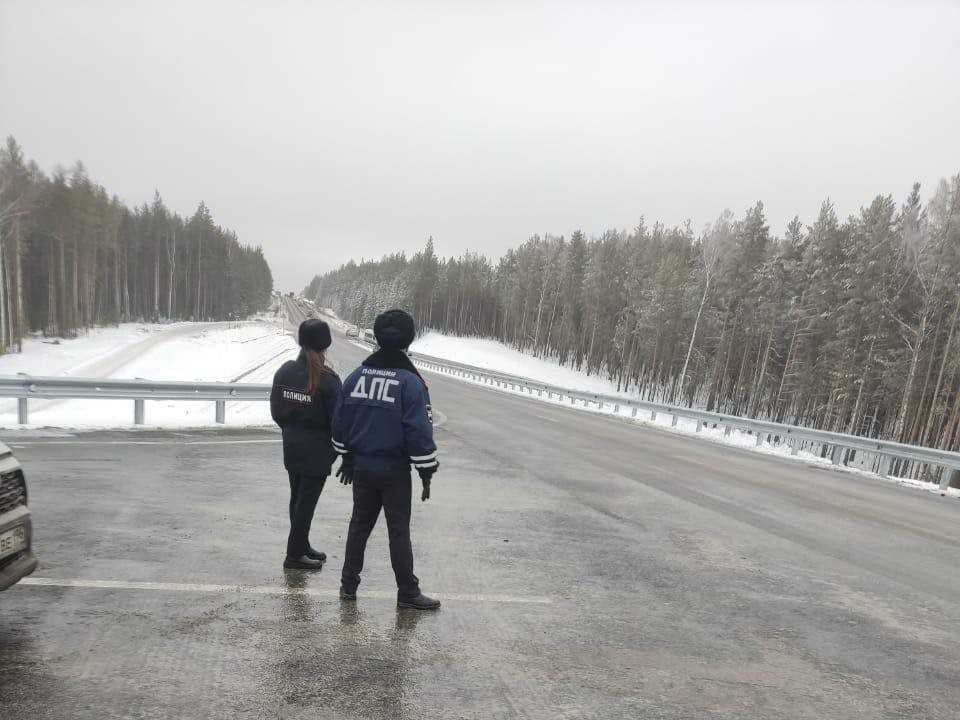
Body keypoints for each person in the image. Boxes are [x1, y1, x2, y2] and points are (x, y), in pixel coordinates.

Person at [332, 309, 441, 610]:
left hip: (363, 468)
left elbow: (341, 422)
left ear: (377, 337)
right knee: (398, 531)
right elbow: (418, 430)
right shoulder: (410, 382)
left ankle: (348, 585)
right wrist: (426, 469)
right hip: (394, 471)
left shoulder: (356, 377)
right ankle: (407, 592)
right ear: (409, 339)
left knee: (358, 527)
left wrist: (347, 456)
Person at [270, 319, 341, 570]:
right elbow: (338, 422)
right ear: (325, 345)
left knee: (297, 499)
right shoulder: (328, 380)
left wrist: (291, 431)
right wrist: (332, 452)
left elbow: (277, 411)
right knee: (305, 504)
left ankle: (301, 544)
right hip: (317, 452)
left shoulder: (285, 371)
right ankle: (294, 555)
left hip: (292, 448)